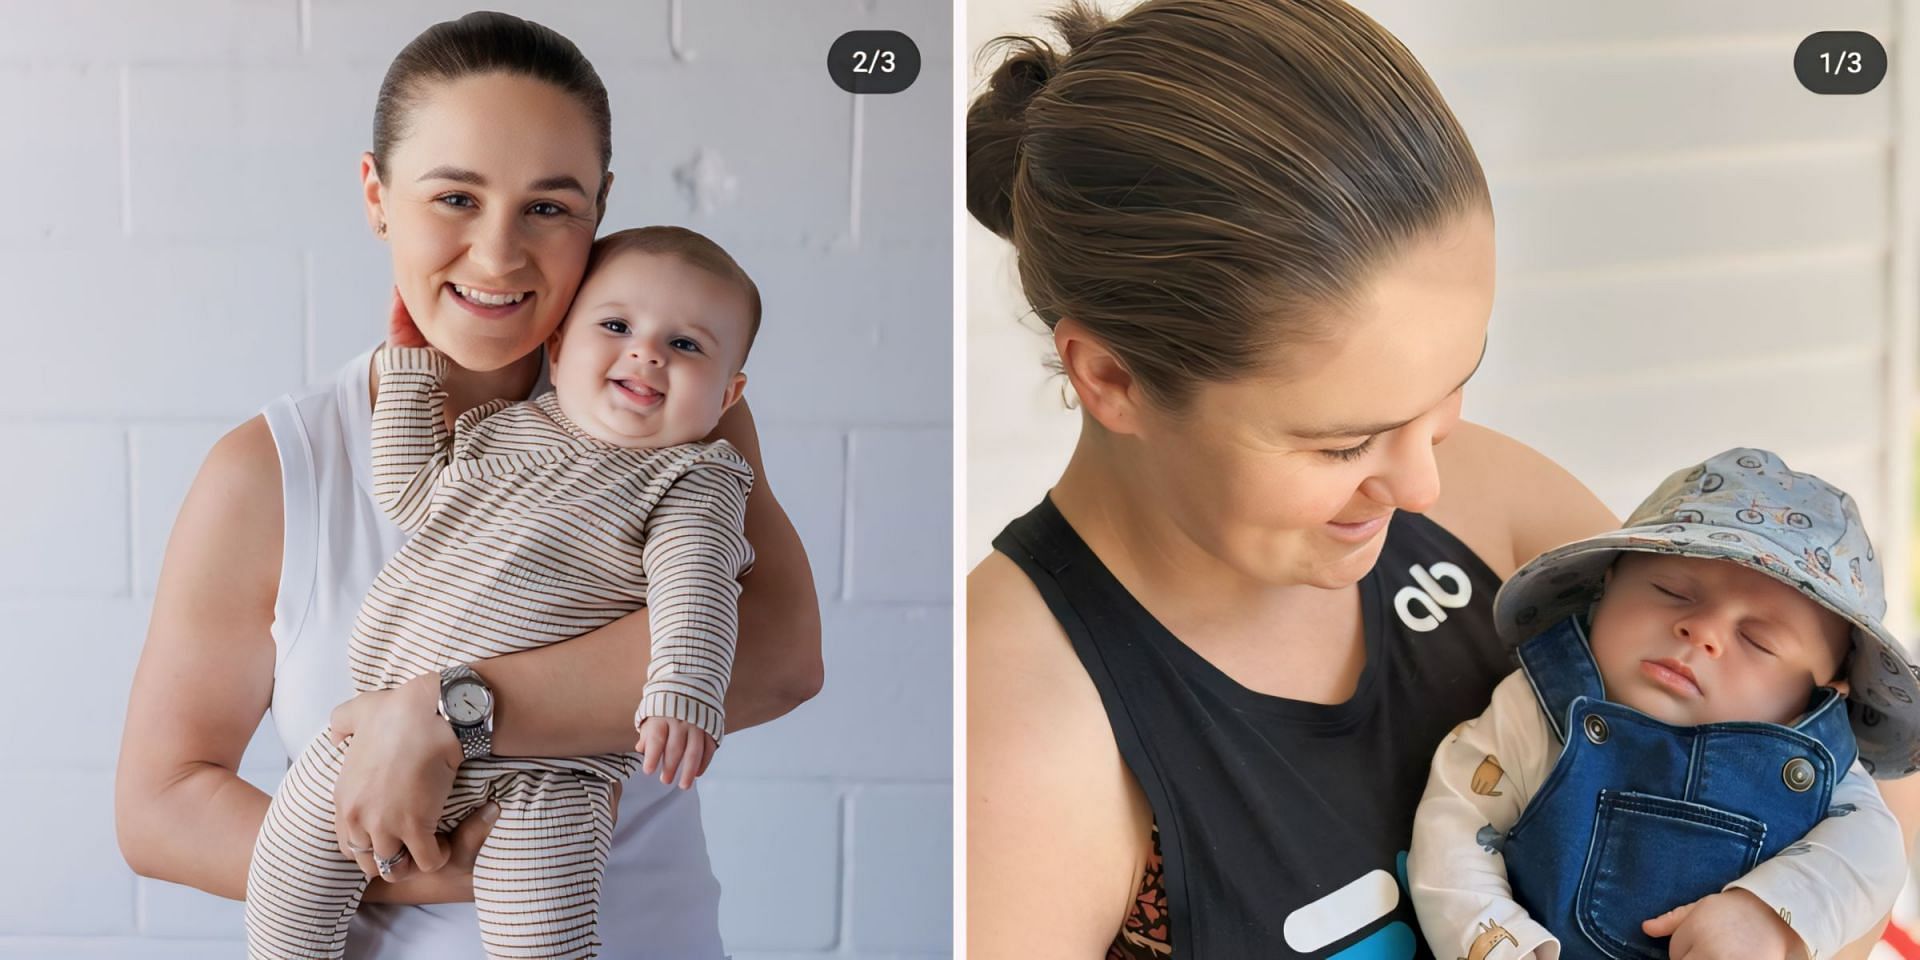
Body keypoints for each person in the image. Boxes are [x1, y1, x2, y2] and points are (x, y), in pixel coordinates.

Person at [963, 2, 1918, 958]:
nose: (1423, 482)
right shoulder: (1010, 731)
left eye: (1453, 391)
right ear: (1111, 379)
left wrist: (1790, 920)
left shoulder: (1488, 502)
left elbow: (1870, 795)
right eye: (1345, 444)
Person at [115, 13, 822, 959]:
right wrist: (416, 859)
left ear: (599, 209)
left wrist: (443, 714)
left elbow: (775, 656)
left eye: (549, 206)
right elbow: (160, 803)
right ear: (377, 194)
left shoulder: (676, 419)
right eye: (454, 197)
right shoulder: (275, 469)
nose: (498, 255)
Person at [245, 226, 763, 958]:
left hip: (553, 769)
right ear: (559, 349)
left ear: (727, 395)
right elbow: (409, 494)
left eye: (687, 346)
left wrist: (683, 686)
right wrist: (410, 371)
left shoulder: (692, 478)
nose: (647, 352)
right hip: (376, 740)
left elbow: (697, 587)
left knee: (539, 935)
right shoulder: (501, 433)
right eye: (616, 327)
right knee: (287, 883)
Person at [1409, 448, 1915, 960]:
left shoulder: (1815, 766)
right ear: (1606, 587)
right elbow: (1455, 823)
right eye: (1671, 591)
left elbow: (1872, 852)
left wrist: (1769, 915)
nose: (1702, 632)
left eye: (1759, 640)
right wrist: (1502, 943)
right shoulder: (1538, 709)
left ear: (1823, 691)